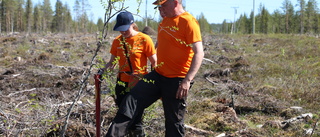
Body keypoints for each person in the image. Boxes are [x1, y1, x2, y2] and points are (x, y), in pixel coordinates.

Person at [105, 0, 204, 136]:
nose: (160, 9)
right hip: (158, 75)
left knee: (173, 122)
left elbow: (199, 52)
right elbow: (160, 45)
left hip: (177, 80)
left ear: (175, 2)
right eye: (159, 6)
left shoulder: (188, 22)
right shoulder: (164, 22)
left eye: (163, 5)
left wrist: (187, 80)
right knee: (130, 102)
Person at [101, 11, 157, 137]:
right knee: (123, 116)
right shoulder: (117, 41)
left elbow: (155, 63)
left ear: (132, 24)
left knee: (135, 118)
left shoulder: (144, 39)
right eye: (120, 30)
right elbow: (112, 62)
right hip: (121, 83)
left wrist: (156, 83)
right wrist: (102, 71)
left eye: (125, 29)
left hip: (139, 84)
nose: (123, 32)